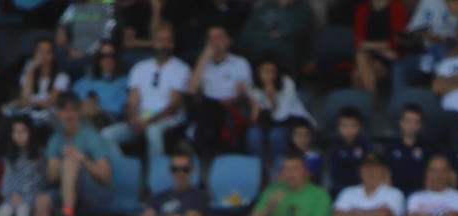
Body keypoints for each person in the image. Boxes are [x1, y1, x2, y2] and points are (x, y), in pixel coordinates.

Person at [101, 22, 190, 162]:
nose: (163, 45)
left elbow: (173, 106)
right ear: (154, 42)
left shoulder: (181, 68)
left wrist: (148, 121)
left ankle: (156, 178)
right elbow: (132, 101)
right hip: (141, 118)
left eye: (168, 41)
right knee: (107, 134)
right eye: (160, 40)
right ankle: (125, 171)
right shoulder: (140, 67)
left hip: (169, 119)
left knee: (152, 131)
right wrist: (132, 120)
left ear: (173, 44)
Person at [36, 92, 115, 216]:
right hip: (67, 190)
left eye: (72, 110)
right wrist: (62, 162)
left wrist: (82, 159)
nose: (67, 115)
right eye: (63, 110)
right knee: (41, 201)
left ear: (79, 112)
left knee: (70, 163)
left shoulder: (91, 135)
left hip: (96, 191)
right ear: (58, 113)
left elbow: (105, 176)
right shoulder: (56, 139)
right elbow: (52, 176)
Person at [186, 24, 252, 160]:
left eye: (219, 38)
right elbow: (191, 90)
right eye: (210, 38)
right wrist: (204, 58)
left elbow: (242, 93)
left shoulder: (240, 63)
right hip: (208, 107)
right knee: (201, 108)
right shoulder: (202, 64)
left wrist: (231, 100)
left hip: (232, 106)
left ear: (228, 41)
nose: (214, 42)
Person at [138, 149, 212, 216]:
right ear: (170, 171)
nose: (180, 173)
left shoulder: (199, 196)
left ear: (192, 171)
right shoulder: (159, 196)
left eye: (185, 169)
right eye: (175, 169)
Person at [245, 57, 314, 163]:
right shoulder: (253, 87)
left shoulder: (287, 83)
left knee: (276, 135)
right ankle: (258, 169)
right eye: (265, 72)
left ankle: (278, 167)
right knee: (253, 134)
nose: (269, 76)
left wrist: (272, 98)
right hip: (268, 121)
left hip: (292, 120)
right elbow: (256, 116)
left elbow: (281, 116)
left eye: (272, 72)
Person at [0, 117, 46, 216]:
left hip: (31, 195)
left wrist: (22, 195)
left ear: (30, 133)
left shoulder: (38, 154)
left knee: (22, 211)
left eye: (23, 131)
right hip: (12, 196)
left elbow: (38, 179)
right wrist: (12, 193)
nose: (19, 135)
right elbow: (7, 178)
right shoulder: (9, 155)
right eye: (15, 132)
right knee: (3, 211)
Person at [325, 107, 374, 198]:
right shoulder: (334, 148)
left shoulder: (366, 147)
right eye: (344, 126)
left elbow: (371, 169)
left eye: (353, 126)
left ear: (360, 127)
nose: (349, 130)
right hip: (340, 190)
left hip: (362, 190)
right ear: (338, 128)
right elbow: (333, 174)